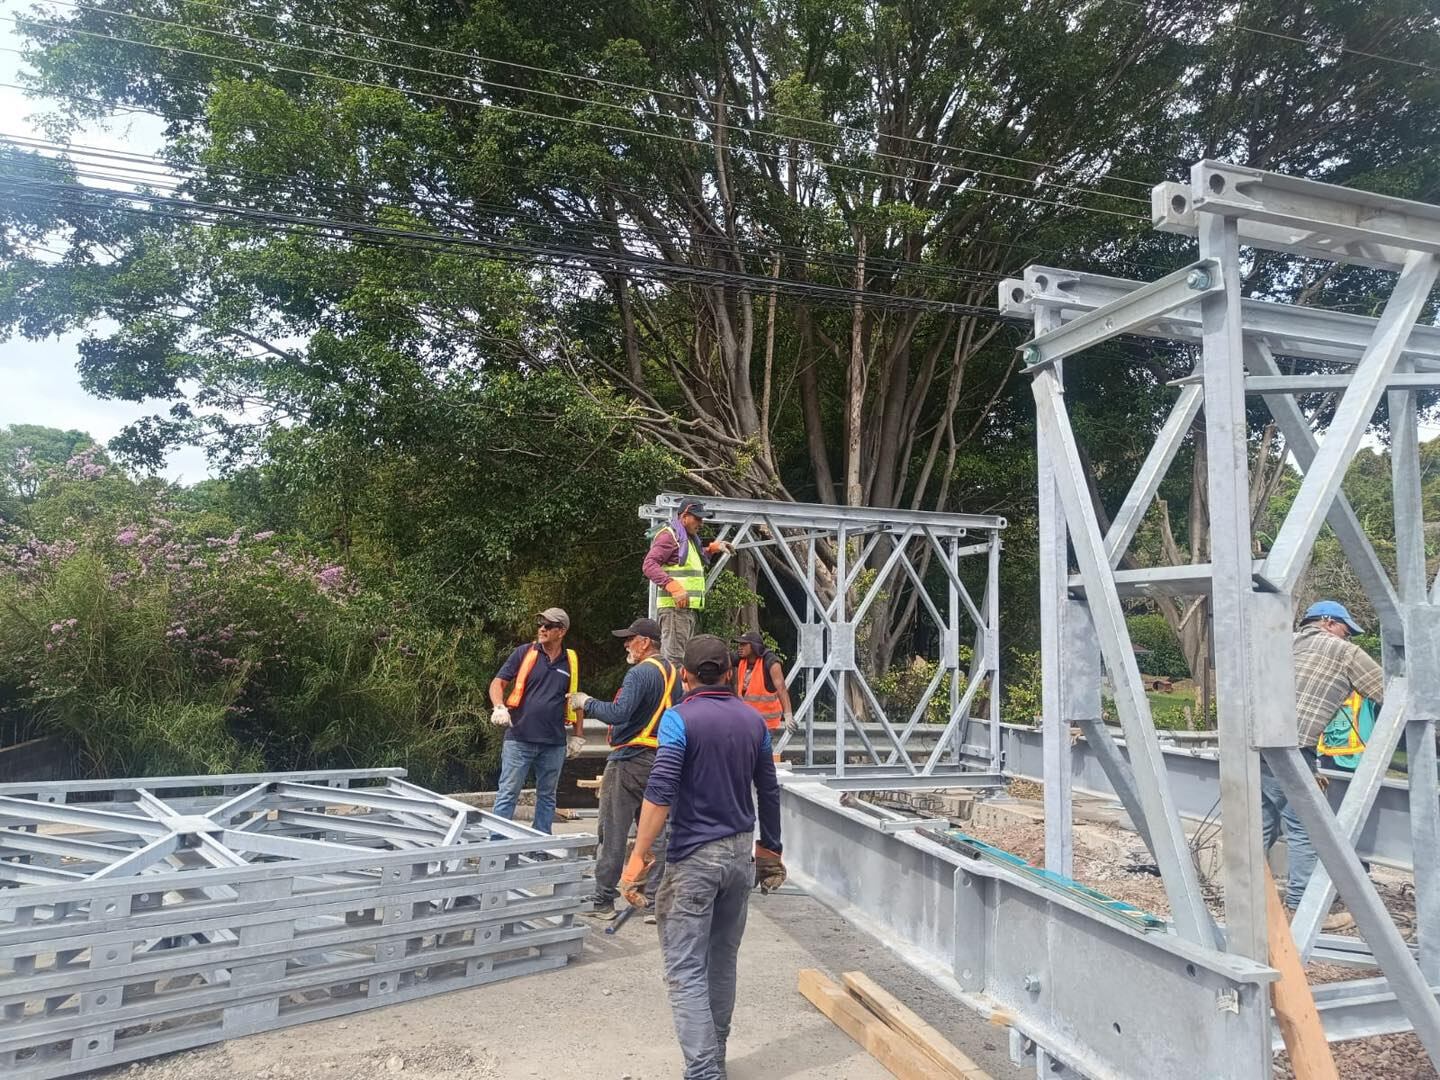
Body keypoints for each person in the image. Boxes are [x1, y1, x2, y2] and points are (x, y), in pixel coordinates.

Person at [618, 635, 785, 1080]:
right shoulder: (753, 722)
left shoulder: (678, 720)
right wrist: (771, 850)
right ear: (729, 674)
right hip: (739, 858)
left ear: (686, 676)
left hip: (694, 859)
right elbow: (768, 789)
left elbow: (660, 792)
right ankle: (716, 1059)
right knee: (722, 960)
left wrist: (637, 859)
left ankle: (704, 1072)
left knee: (686, 970)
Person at [1266, 600, 1384, 931]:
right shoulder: (1342, 651)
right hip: (1292, 746)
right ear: (1329, 622)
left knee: (1259, 820)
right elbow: (1388, 690)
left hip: (1253, 740)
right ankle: (1302, 909)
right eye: (1347, 629)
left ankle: (1249, 905)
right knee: (1306, 825)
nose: (1349, 637)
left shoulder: (1280, 641)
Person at [568, 617, 678, 920]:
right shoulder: (673, 674)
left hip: (630, 759)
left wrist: (587, 702)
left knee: (612, 830)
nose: (626, 645)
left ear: (645, 642)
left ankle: (603, 898)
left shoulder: (639, 674)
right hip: (662, 760)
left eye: (630, 639)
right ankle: (653, 899)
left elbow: (618, 713)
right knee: (654, 833)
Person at [487, 607, 585, 835]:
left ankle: (540, 846)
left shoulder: (570, 660)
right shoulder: (524, 653)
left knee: (547, 797)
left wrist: (579, 735)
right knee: (508, 793)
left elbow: (576, 698)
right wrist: (499, 706)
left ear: (561, 631)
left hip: (554, 743)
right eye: (540, 624)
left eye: (548, 625)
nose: (542, 629)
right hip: (519, 738)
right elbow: (497, 683)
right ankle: (496, 845)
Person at [642, 498, 733, 664]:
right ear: (684, 517)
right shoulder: (669, 536)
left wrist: (712, 549)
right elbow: (649, 565)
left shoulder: (688, 540)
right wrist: (673, 586)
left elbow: (689, 561)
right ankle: (672, 690)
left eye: (702, 518)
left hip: (685, 611)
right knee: (675, 661)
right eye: (697, 518)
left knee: (683, 660)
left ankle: (679, 689)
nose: (701, 523)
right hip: (675, 611)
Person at [733, 631, 797, 734]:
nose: (740, 647)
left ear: (754, 646)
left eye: (744, 644)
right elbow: (722, 660)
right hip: (746, 722)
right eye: (739, 644)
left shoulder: (771, 662)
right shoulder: (741, 658)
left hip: (766, 724)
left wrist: (788, 715)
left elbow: (781, 689)